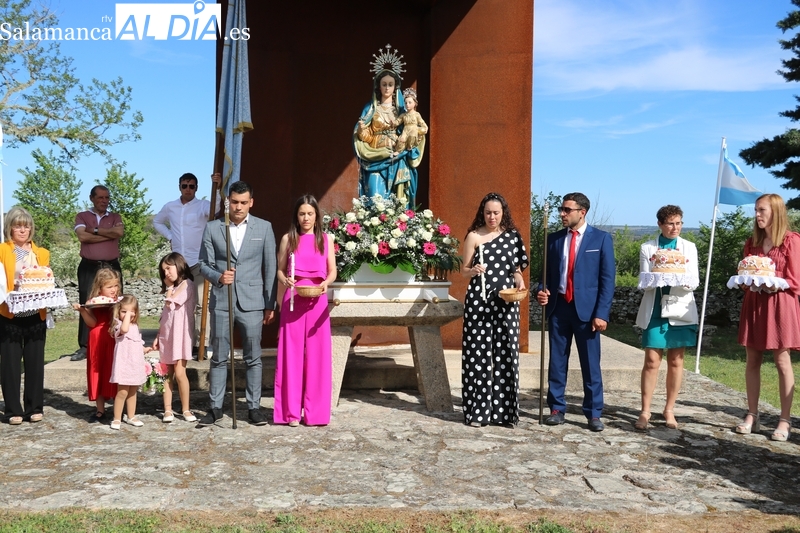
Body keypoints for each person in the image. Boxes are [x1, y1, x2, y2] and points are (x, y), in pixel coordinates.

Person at [197, 180, 278, 427]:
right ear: (227, 202)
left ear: (251, 202)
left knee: (253, 357)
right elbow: (203, 264)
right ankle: (215, 408)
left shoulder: (264, 228)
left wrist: (269, 303)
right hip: (223, 300)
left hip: (253, 302)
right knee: (219, 357)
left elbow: (270, 267)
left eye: (244, 203)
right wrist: (218, 277)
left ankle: (254, 408)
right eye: (234, 202)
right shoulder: (212, 228)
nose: (239, 207)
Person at [536, 192, 615, 432]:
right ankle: (557, 408)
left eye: (566, 210)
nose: (562, 214)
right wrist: (541, 291)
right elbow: (545, 276)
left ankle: (593, 413)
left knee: (591, 364)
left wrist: (601, 313)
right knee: (557, 362)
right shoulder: (553, 239)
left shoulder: (601, 240)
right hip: (559, 308)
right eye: (561, 209)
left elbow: (607, 280)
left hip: (588, 313)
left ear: (582, 212)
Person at [460, 193, 529, 427]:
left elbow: (517, 269)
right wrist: (473, 270)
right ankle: (478, 413)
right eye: (488, 212)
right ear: (483, 212)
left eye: (496, 213)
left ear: (503, 213)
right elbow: (463, 271)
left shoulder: (512, 237)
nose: (492, 217)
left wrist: (519, 280)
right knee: (478, 355)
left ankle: (505, 413)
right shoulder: (473, 237)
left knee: (506, 353)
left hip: (506, 303)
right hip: (479, 302)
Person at [735, 193, 798, 442]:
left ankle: (785, 419)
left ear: (776, 212)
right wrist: (745, 283)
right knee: (752, 360)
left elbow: (796, 281)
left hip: (781, 305)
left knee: (782, 362)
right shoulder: (752, 243)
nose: (757, 215)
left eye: (761, 210)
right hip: (754, 305)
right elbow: (746, 275)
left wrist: (775, 285)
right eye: (756, 210)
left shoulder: (792, 242)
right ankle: (752, 415)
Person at [274, 195, 337, 427]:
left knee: (317, 356)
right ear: (296, 216)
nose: (306, 218)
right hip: (293, 298)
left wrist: (326, 284)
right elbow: (279, 271)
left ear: (316, 215)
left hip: (318, 299)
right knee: (291, 356)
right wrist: (286, 280)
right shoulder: (287, 239)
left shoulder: (326, 239)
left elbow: (333, 271)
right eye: (302, 214)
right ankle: (290, 413)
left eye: (310, 213)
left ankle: (315, 414)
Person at [634, 205, 699, 431]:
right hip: (654, 309)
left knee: (676, 360)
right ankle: (645, 410)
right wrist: (662, 274)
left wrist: (678, 276)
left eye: (679, 223)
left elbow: (694, 281)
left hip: (680, 309)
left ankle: (669, 409)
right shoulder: (647, 248)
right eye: (670, 223)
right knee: (652, 360)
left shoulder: (689, 248)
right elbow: (644, 281)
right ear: (660, 224)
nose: (675, 228)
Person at [153, 172, 221, 356]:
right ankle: (180, 340)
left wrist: (218, 187)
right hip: (178, 264)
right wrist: (169, 236)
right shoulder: (170, 206)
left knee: (200, 305)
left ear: (196, 188)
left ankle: (200, 344)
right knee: (179, 305)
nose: (188, 189)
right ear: (179, 187)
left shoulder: (202, 205)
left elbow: (215, 209)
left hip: (198, 260)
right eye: (185, 186)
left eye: (191, 186)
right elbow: (157, 221)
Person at [0, 207, 50, 425]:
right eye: (18, 225)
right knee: (10, 364)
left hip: (35, 313)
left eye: (27, 225)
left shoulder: (42, 253)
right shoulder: (2, 251)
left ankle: (34, 407)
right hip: (9, 315)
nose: (23, 229)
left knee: (35, 362)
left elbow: (46, 280)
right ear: (9, 228)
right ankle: (12, 411)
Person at [353, 59, 425, 208]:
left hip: (397, 156)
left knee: (399, 201)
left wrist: (413, 136)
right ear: (378, 86)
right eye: (384, 84)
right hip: (375, 156)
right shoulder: (371, 109)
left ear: (395, 86)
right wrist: (361, 130)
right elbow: (367, 136)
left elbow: (414, 128)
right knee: (374, 197)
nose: (387, 88)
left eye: (390, 84)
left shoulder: (402, 111)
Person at [70, 185, 124, 361]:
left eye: (107, 198)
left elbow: (119, 232)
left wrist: (93, 231)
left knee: (115, 301)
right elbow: (82, 236)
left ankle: (116, 339)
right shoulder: (82, 216)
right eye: (100, 197)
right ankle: (85, 346)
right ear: (92, 198)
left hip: (111, 265)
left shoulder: (115, 217)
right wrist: (107, 235)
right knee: (86, 302)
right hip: (89, 266)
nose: (104, 201)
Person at [152, 252, 198, 423]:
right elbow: (165, 316)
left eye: (168, 268)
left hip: (181, 337)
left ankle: (186, 409)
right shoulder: (170, 290)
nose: (166, 273)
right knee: (167, 374)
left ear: (179, 265)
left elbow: (172, 303)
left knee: (180, 373)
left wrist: (169, 289)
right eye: (163, 271)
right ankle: (168, 409)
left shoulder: (188, 285)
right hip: (167, 336)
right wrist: (158, 335)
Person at [72, 268, 121, 422]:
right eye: (109, 287)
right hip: (97, 339)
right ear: (100, 288)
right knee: (98, 372)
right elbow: (92, 323)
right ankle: (100, 410)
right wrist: (82, 311)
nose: (114, 290)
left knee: (114, 370)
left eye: (116, 286)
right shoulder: (92, 302)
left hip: (113, 337)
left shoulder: (119, 301)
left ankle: (119, 406)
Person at [109, 294, 150, 430]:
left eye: (131, 311)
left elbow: (136, 342)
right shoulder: (119, 325)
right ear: (118, 311)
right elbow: (124, 330)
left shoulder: (135, 327)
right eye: (123, 311)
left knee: (133, 391)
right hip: (124, 365)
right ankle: (117, 418)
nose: (128, 314)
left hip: (135, 364)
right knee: (122, 392)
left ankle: (131, 415)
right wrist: (127, 316)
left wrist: (144, 349)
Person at [392, 88, 428, 154]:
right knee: (401, 139)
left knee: (412, 135)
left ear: (414, 103)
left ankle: (410, 146)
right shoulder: (403, 115)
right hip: (406, 129)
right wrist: (393, 123)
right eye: (406, 103)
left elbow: (422, 122)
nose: (407, 105)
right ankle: (398, 150)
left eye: (409, 102)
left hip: (414, 129)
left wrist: (425, 128)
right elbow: (398, 121)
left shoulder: (417, 114)